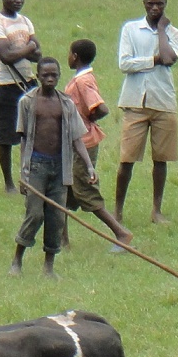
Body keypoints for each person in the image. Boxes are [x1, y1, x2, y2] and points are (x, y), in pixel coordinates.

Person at [10, 56, 97, 279]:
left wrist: (89, 166)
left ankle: (49, 266)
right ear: (37, 76)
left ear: (59, 76)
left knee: (56, 217)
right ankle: (17, 259)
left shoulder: (67, 103)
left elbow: (77, 138)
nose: (50, 79)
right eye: (45, 75)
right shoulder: (27, 102)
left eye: (54, 75)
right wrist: (24, 171)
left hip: (60, 167)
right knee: (35, 214)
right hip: (36, 165)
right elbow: (23, 139)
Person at [116, 0, 178, 224]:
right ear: (143, 3)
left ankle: (156, 210)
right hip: (135, 102)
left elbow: (170, 58)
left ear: (166, 4)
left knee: (161, 159)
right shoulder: (131, 29)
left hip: (163, 101)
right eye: (151, 4)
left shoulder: (174, 33)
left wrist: (162, 30)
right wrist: (153, 59)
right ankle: (118, 211)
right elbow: (124, 64)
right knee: (127, 159)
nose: (155, 8)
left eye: (160, 4)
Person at [59, 39, 134, 248]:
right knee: (64, 189)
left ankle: (121, 233)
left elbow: (100, 108)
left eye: (69, 53)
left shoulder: (82, 82)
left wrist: (86, 121)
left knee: (85, 191)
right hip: (75, 142)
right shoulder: (83, 78)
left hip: (82, 143)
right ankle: (62, 239)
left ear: (75, 56)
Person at [0, 0, 39, 194]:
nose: (18, 0)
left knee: (31, 134)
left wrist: (25, 50)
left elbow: (38, 54)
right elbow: (6, 57)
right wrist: (28, 47)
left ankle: (27, 179)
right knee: (6, 138)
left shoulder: (25, 21)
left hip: (28, 83)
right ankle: (8, 183)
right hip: (6, 85)